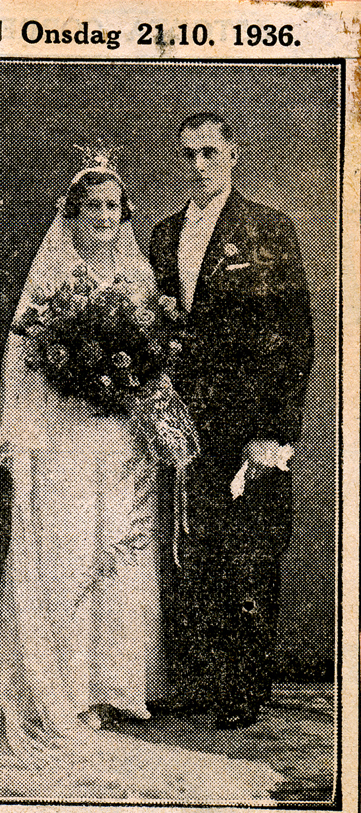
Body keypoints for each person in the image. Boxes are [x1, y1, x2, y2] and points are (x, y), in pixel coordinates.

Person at [0, 148, 176, 765]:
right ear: (75, 213)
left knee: (120, 549)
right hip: (65, 432)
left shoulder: (137, 276)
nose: (105, 217)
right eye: (94, 207)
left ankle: (113, 688)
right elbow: (27, 357)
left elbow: (154, 355)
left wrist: (138, 393)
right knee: (67, 553)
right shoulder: (56, 276)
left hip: (120, 434)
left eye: (115, 207)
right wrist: (64, 395)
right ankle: (60, 690)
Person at [150, 112, 314, 727]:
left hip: (248, 421)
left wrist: (272, 433)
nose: (199, 166)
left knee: (250, 553)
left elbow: (293, 337)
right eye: (188, 155)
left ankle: (244, 689)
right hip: (183, 422)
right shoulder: (164, 236)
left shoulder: (267, 229)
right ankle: (203, 682)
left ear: (233, 155)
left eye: (210, 153)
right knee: (195, 552)